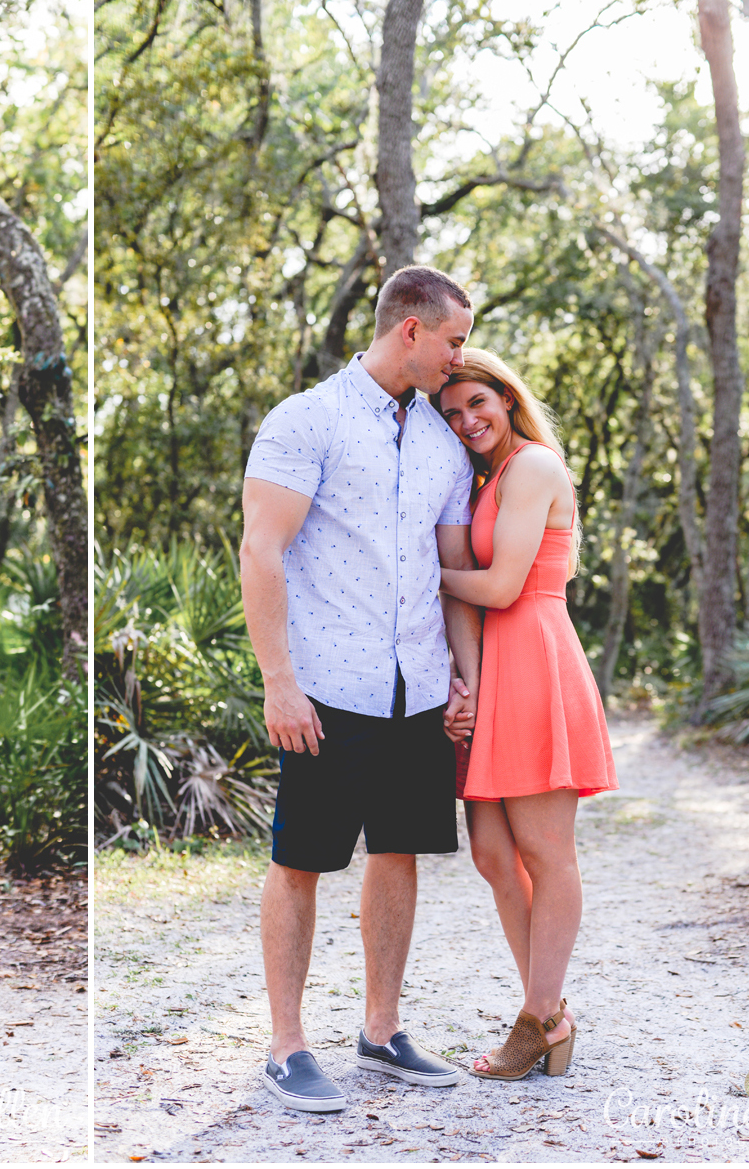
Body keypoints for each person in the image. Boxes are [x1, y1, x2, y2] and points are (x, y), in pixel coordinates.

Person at [240, 265, 483, 1112]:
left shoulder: (444, 442)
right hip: (326, 687)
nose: (463, 355)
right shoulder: (305, 421)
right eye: (454, 339)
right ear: (409, 329)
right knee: (301, 860)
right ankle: (287, 1046)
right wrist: (280, 683)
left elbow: (450, 574)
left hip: (416, 687)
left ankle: (381, 1030)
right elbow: (260, 552)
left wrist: (464, 678)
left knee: (400, 851)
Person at [432, 348, 618, 1080]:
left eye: (477, 402)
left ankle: (538, 1017)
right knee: (490, 852)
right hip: (495, 668)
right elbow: (466, 593)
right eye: (452, 413)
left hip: (536, 658)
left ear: (507, 398)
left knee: (545, 850)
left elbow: (503, 586)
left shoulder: (535, 466)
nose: (467, 420)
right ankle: (551, 1011)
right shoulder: (484, 481)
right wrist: (466, 685)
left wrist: (412, 567)